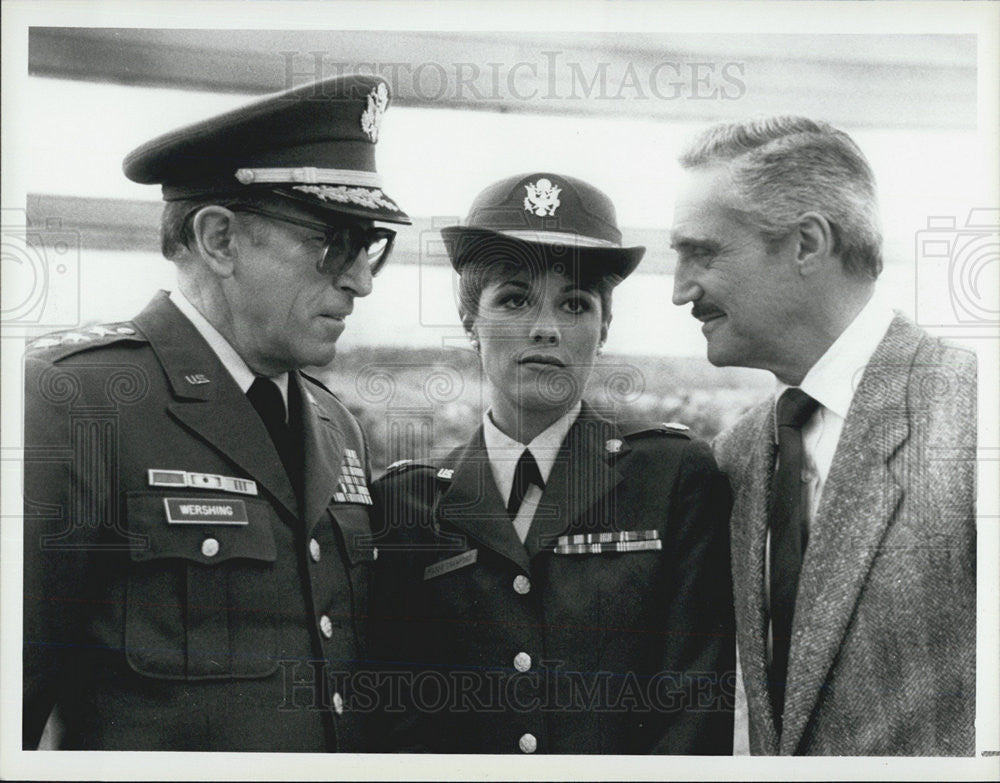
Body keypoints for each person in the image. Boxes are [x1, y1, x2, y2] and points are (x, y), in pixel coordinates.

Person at [22, 74, 410, 751]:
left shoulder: (334, 426)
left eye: (369, 245)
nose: (361, 280)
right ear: (219, 239)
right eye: (334, 243)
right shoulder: (73, 405)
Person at [370, 172, 735, 754]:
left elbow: (693, 708)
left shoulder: (670, 479)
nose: (547, 327)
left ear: (604, 329)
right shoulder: (406, 505)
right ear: (469, 322)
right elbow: (397, 722)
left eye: (575, 304)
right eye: (514, 299)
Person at [670, 116, 976, 755]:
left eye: (703, 252)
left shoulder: (974, 415)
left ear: (807, 244)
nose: (680, 291)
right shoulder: (738, 454)